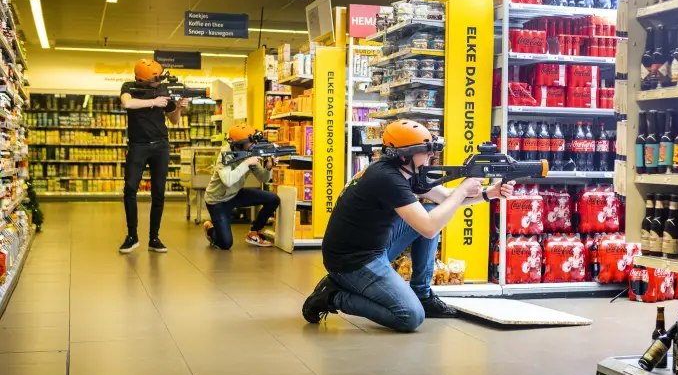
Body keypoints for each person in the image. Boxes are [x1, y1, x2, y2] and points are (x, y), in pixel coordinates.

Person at [302, 120, 515, 332]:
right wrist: (461, 190)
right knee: (409, 317)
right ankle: (333, 296)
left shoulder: (401, 171)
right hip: (352, 262)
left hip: (372, 247)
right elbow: (430, 227)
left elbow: (445, 199)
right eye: (426, 150)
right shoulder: (388, 178)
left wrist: (490, 193)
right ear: (404, 154)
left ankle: (422, 293)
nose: (431, 155)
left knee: (431, 211)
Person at [119, 59, 188, 254]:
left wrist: (179, 108)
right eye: (155, 80)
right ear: (143, 79)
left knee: (158, 193)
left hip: (161, 146)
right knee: (130, 189)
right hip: (138, 146)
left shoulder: (164, 91)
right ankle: (132, 236)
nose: (159, 83)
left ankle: (154, 238)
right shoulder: (129, 87)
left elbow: (173, 121)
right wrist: (153, 102)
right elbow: (127, 103)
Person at [203, 124, 280, 249]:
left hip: (235, 193)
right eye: (249, 142)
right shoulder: (225, 154)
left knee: (273, 199)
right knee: (225, 244)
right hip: (217, 200)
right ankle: (211, 229)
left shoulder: (248, 153)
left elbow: (264, 178)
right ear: (238, 144)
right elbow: (228, 181)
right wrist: (246, 163)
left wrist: (269, 167)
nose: (252, 145)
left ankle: (254, 232)